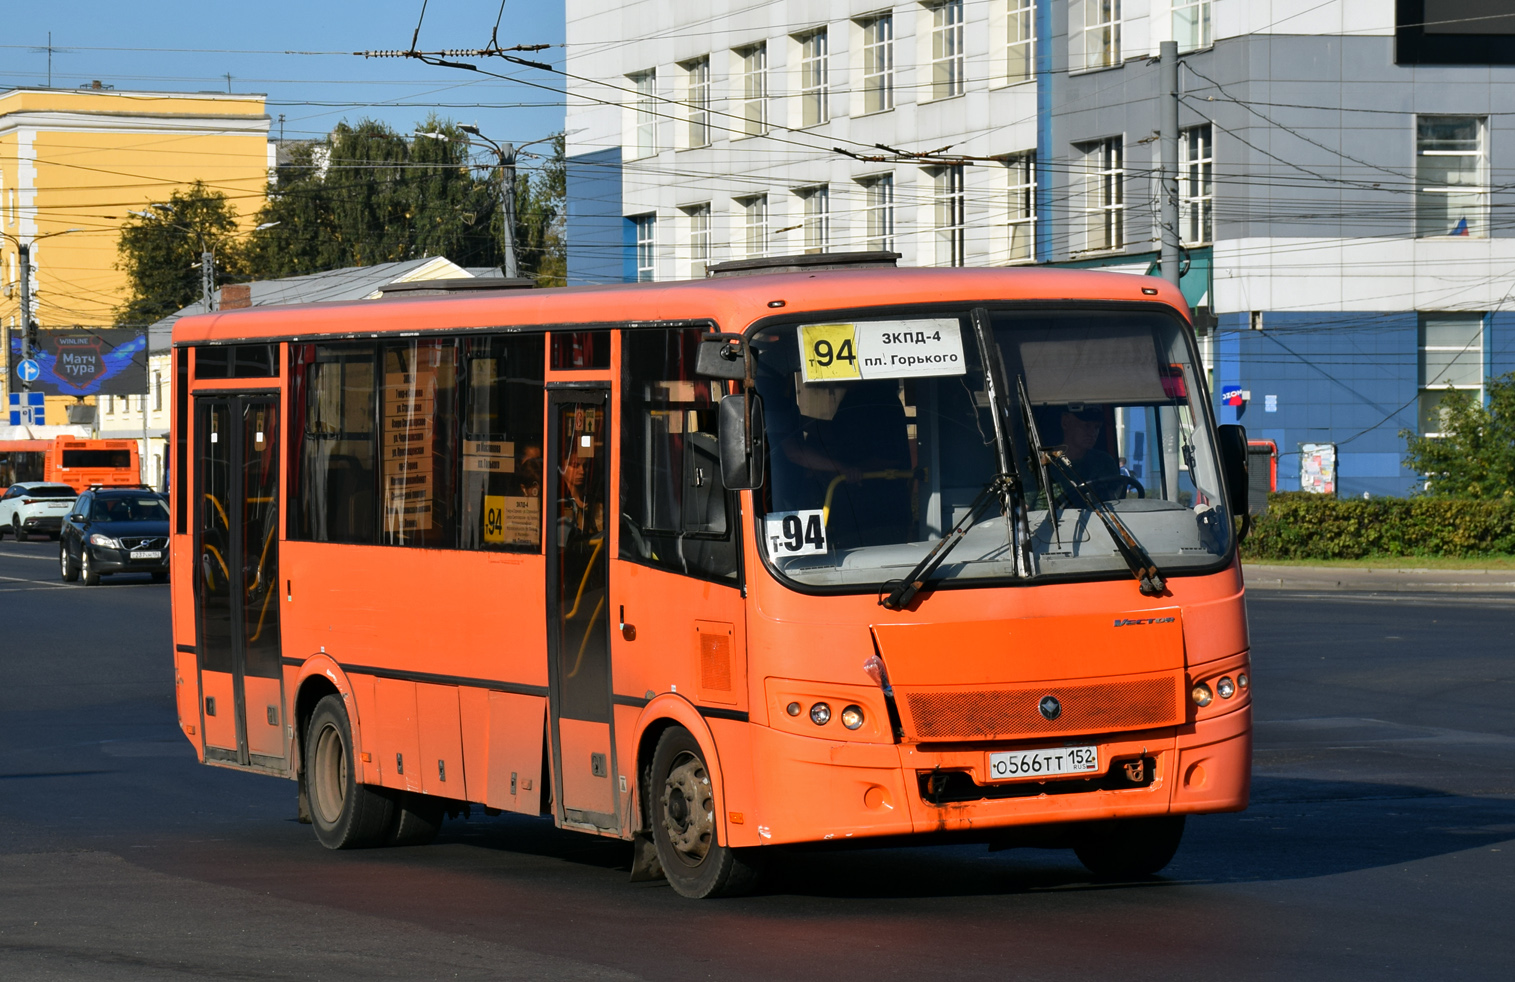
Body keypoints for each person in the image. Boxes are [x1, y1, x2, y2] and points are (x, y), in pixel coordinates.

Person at [1055, 405, 1122, 502]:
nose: (1092, 433)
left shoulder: (1104, 462)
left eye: (1097, 427)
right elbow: (1026, 507)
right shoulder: (1044, 463)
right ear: (1066, 422)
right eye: (1086, 425)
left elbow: (1115, 501)